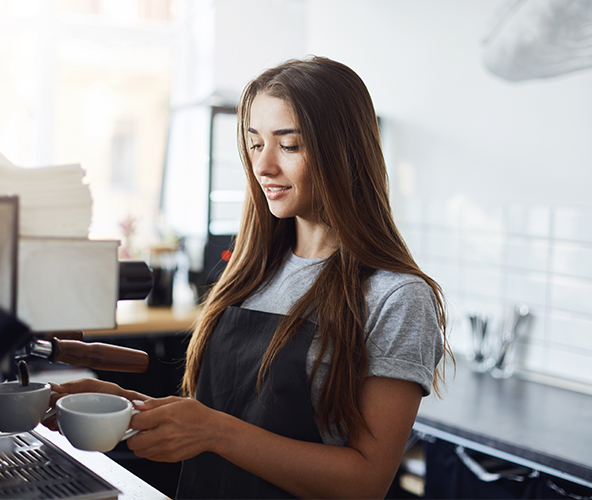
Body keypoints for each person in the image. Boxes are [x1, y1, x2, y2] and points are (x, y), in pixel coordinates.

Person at [47, 56, 451, 499]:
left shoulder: (396, 297)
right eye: (255, 144)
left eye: (289, 145)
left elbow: (365, 482)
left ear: (345, 150)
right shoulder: (250, 273)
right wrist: (129, 409)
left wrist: (215, 432)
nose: (264, 166)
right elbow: (218, 419)